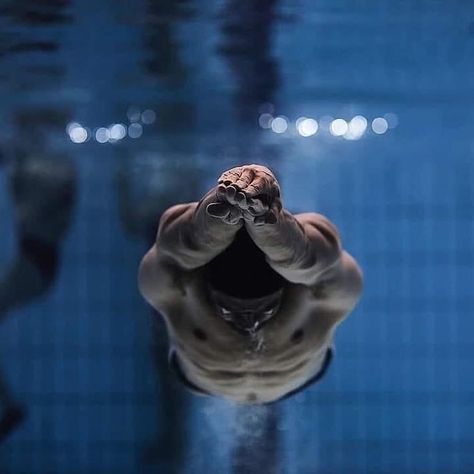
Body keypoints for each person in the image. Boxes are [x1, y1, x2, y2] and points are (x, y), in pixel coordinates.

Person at [138, 164, 363, 404]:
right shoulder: (184, 285)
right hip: (207, 379)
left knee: (310, 258)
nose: (250, 322)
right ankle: (239, 218)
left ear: (287, 286)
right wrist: (217, 211)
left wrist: (272, 224)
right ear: (207, 286)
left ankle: (267, 223)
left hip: (262, 377)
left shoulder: (314, 292)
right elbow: (178, 243)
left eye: (265, 309)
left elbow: (314, 257)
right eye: (228, 309)